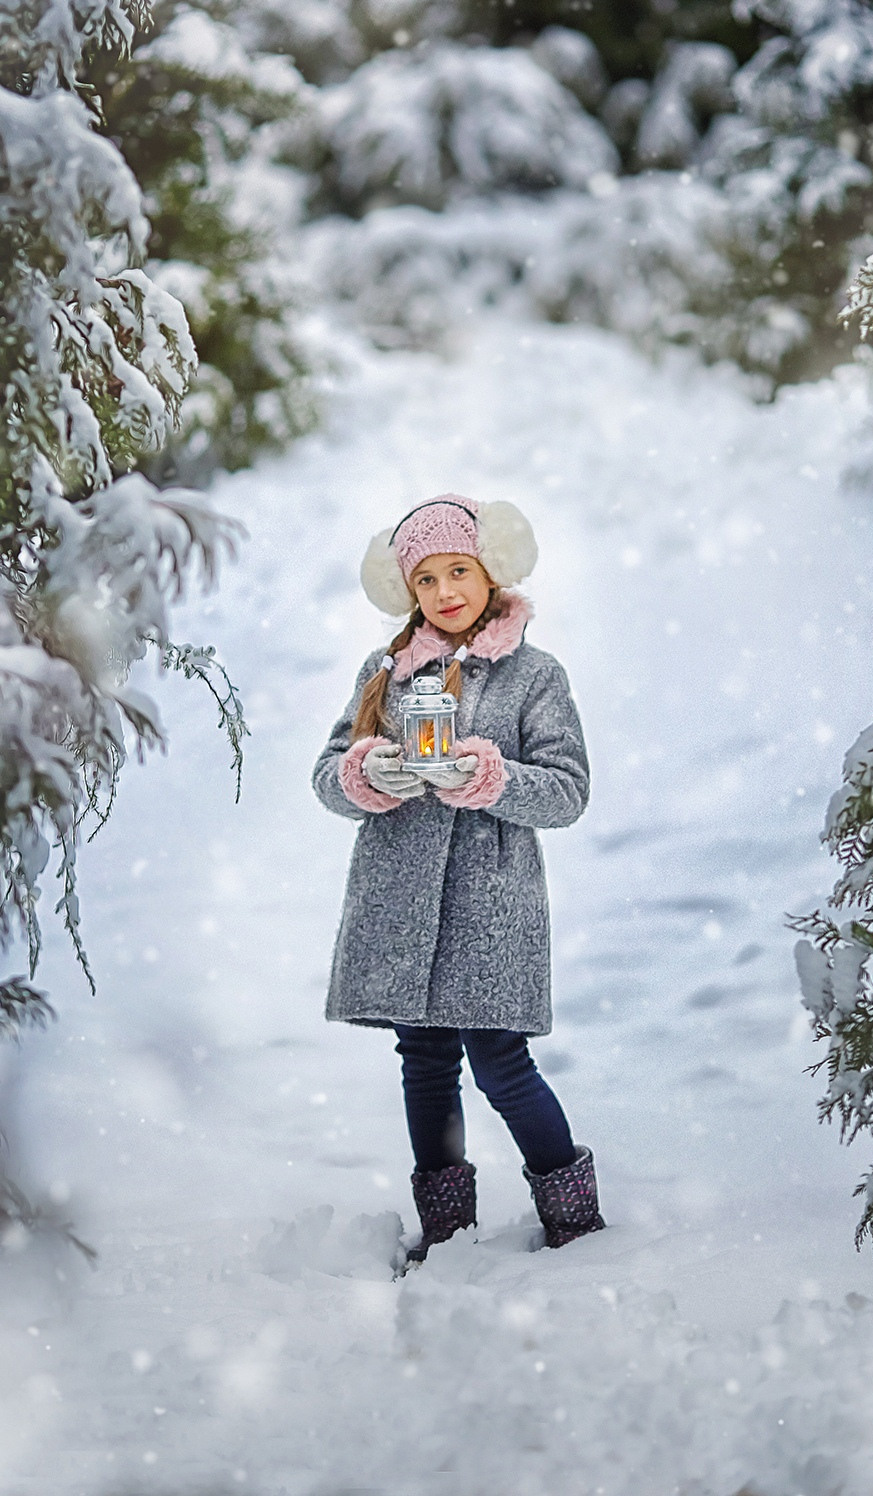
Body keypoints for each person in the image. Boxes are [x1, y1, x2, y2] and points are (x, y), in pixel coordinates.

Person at [312, 492, 605, 1263]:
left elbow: (569, 790)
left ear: (491, 571)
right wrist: (367, 772)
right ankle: (445, 1225)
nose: (445, 593)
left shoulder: (534, 677)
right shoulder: (385, 673)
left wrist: (490, 776)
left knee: (501, 1062)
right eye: (426, 582)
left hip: (490, 908)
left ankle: (571, 1213)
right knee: (426, 1062)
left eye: (459, 572)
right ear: (407, 592)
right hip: (400, 905)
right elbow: (325, 775)